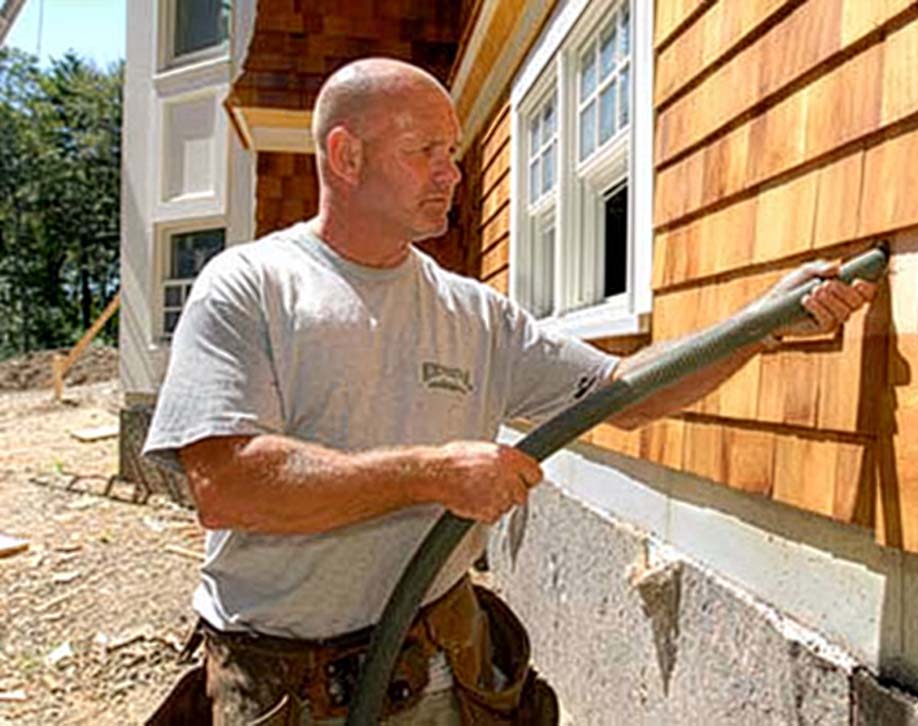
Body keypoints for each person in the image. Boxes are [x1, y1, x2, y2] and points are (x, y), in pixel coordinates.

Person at [142, 58, 877, 725]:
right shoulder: (252, 287)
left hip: (438, 665)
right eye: (423, 151)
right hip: (285, 688)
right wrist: (433, 473)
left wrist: (759, 325)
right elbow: (228, 484)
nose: (451, 173)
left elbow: (625, 393)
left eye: (453, 153)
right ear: (345, 155)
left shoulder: (475, 314)